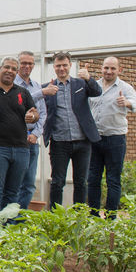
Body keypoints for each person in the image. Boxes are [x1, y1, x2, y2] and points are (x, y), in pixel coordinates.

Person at [42, 52, 102, 208]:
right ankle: (55, 218)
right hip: (59, 142)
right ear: (54, 67)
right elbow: (36, 107)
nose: (61, 68)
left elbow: (97, 92)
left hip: (82, 141)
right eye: (58, 66)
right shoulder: (48, 88)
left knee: (81, 182)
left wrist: (88, 78)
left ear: (70, 66)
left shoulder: (80, 84)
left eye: (64, 65)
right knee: (57, 182)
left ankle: (78, 216)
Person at [87, 56, 136, 217]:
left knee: (113, 179)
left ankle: (111, 217)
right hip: (95, 139)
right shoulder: (94, 86)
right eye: (106, 68)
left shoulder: (125, 88)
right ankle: (94, 215)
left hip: (115, 140)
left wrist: (127, 103)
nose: (109, 71)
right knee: (93, 179)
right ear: (101, 68)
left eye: (112, 68)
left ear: (119, 70)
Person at [0, 57, 39, 215]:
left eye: (14, 69)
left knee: (13, 192)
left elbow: (34, 112)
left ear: (17, 72)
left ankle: (9, 228)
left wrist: (32, 116)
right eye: (6, 67)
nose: (10, 71)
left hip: (21, 149)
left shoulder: (22, 92)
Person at [14, 51, 47, 210]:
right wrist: (42, 93)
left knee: (29, 184)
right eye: (24, 63)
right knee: (14, 182)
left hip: (32, 141)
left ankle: (20, 218)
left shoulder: (36, 85)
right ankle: (9, 218)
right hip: (15, 140)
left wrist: (35, 134)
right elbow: (15, 108)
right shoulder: (12, 84)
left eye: (30, 64)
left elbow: (43, 114)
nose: (27, 66)